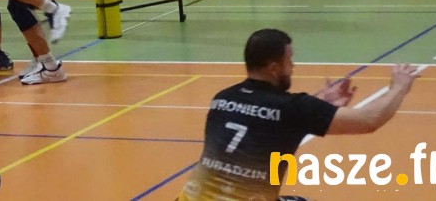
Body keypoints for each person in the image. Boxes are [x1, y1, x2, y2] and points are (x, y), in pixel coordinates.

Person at [178, 28, 421, 201]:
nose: (292, 66)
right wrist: (399, 87)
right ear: (274, 68)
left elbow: (269, 122)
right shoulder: (295, 108)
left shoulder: (222, 98)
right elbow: (369, 120)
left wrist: (323, 106)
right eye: (289, 60)